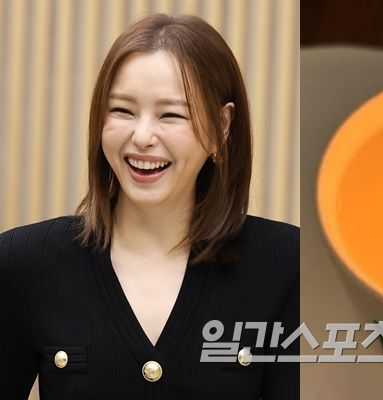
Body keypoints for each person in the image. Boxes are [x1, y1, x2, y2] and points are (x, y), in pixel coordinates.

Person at [0, 14, 299, 400]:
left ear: (222, 127)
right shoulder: (23, 262)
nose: (141, 137)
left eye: (171, 115)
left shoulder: (285, 262)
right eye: (122, 111)